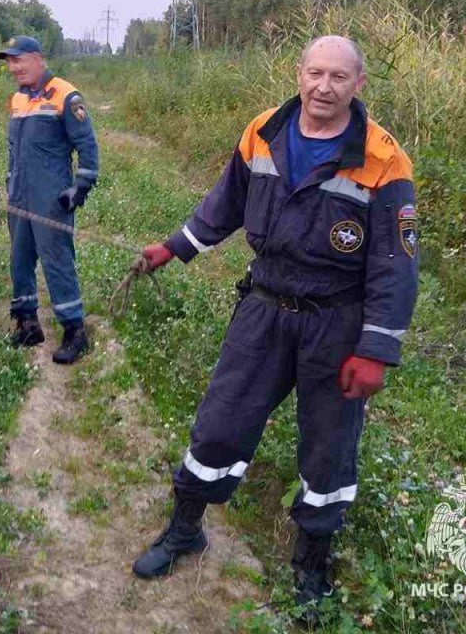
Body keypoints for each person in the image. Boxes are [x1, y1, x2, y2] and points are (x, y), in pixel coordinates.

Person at [131, 36, 418, 624]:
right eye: (315, 73)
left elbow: (396, 263)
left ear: (358, 83)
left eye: (339, 77)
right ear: (299, 73)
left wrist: (376, 350)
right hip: (262, 311)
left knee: (328, 451)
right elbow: (225, 203)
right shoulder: (263, 130)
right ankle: (186, 530)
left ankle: (312, 563)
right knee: (219, 424)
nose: (324, 87)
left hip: (336, 324)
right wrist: (174, 247)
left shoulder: (384, 158)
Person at [0, 35, 100, 365]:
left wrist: (80, 188)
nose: (14, 67)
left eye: (19, 60)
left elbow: (87, 147)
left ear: (38, 58)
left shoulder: (65, 96)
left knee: (56, 261)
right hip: (19, 195)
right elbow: (15, 150)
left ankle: (75, 330)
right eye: (9, 61)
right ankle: (27, 323)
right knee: (20, 258)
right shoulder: (17, 99)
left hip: (51, 198)